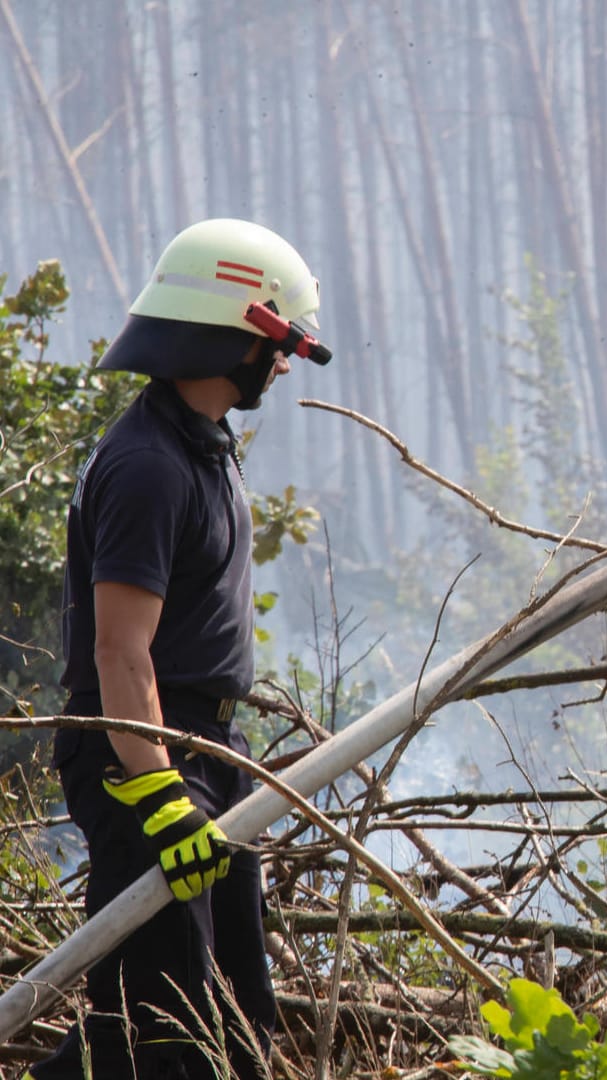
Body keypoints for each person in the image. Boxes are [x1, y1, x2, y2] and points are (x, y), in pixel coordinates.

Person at [29, 219, 328, 1080]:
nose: (281, 364)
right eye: (281, 345)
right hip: (146, 753)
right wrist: (158, 791)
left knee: (232, 1019)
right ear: (241, 331)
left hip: (205, 751)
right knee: (166, 1030)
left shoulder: (200, 450)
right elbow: (121, 653)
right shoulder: (149, 465)